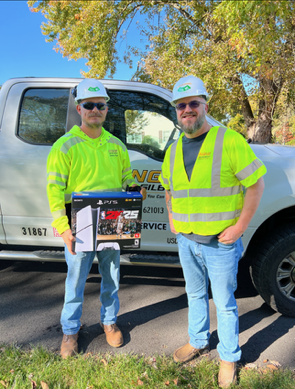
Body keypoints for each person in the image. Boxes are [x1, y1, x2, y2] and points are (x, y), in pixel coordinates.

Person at [159, 75, 266, 388]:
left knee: (224, 302)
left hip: (220, 243)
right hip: (187, 241)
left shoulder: (228, 140)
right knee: (194, 295)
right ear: (176, 111)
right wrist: (172, 218)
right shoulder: (173, 149)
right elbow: (169, 189)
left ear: (205, 105)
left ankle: (229, 357)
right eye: (181, 105)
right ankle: (197, 340)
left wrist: (240, 227)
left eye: (193, 103)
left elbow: (255, 184)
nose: (187, 109)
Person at [47, 78, 146, 359]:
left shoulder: (116, 145)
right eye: (89, 105)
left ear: (106, 109)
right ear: (79, 109)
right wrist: (63, 227)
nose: (95, 110)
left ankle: (109, 321)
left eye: (100, 105)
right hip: (80, 221)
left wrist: (134, 189)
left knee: (111, 275)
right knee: (76, 278)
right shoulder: (64, 146)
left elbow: (126, 177)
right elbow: (54, 190)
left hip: (113, 218)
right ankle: (70, 330)